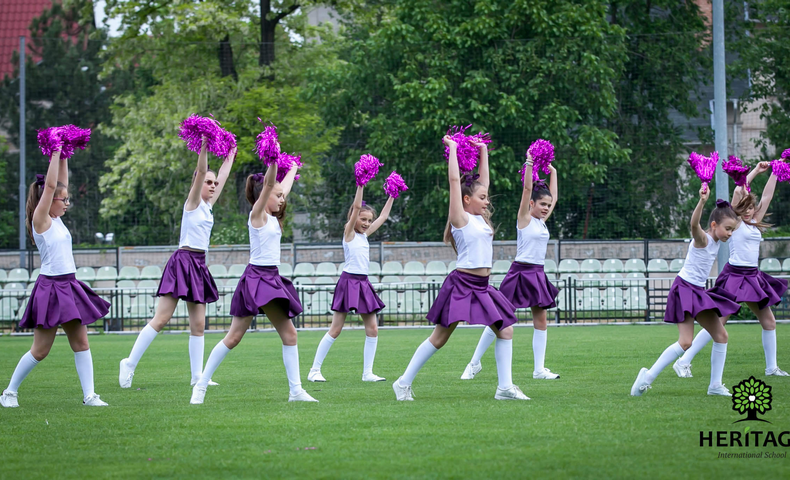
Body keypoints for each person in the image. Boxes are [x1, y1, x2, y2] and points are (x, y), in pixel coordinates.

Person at [391, 135, 528, 401]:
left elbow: (483, 181)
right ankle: (403, 382)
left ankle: (504, 388)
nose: (487, 200)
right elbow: (455, 181)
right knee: (440, 338)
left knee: (506, 329)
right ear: (466, 199)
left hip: (483, 286)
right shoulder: (460, 218)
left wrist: (483, 151)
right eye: (482, 197)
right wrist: (453, 150)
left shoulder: (480, 218)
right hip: (462, 284)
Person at [190, 161, 318, 404]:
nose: (282, 199)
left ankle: (296, 391)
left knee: (289, 335)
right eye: (277, 196)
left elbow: (282, 186)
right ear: (264, 194)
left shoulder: (272, 215)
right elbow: (271, 183)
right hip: (257, 279)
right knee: (234, 337)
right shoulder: (256, 214)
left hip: (271, 277)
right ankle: (201, 384)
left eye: (282, 196)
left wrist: (292, 166)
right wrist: (272, 160)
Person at [119, 137, 236, 388]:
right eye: (208, 182)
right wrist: (204, 145)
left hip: (199, 263)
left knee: (199, 324)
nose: (213, 185)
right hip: (183, 261)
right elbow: (202, 169)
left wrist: (231, 153)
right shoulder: (192, 203)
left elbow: (223, 175)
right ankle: (129, 363)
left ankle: (197, 377)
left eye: (214, 183)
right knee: (161, 319)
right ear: (197, 182)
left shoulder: (208, 206)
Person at [1, 146, 110, 408]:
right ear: (49, 201)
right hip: (50, 288)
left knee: (81, 342)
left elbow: (61, 183)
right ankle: (9, 393)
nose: (67, 203)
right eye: (65, 200)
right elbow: (51, 186)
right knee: (40, 350)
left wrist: (65, 154)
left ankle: (89, 396)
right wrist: (53, 151)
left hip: (69, 285)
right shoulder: (41, 219)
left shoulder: (57, 218)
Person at [673, 161, 788, 377]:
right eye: (744, 208)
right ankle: (684, 360)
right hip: (735, 276)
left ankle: (771, 367)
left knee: (769, 321)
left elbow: (767, 197)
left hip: (753, 277)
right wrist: (754, 171)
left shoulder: (754, 222)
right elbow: (738, 190)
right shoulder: (735, 222)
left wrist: (775, 171)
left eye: (751, 207)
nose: (749, 211)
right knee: (718, 323)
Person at [631, 188, 740, 397]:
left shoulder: (718, 240)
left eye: (732, 230)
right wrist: (701, 201)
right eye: (728, 229)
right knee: (685, 342)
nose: (730, 233)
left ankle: (715, 385)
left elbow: (733, 210)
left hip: (697, 291)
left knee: (721, 335)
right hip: (684, 289)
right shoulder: (703, 240)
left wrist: (742, 184)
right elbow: (693, 224)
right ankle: (647, 378)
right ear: (714, 225)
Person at [461, 155, 560, 381]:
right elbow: (527, 189)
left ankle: (539, 369)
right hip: (520, 273)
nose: (546, 208)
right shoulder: (524, 218)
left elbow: (554, 198)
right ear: (532, 204)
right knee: (499, 318)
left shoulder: (542, 222)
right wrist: (529, 164)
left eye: (548, 205)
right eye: (541, 204)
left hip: (537, 273)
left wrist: (552, 172)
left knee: (541, 319)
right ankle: (473, 363)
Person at [308, 184, 395, 383]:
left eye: (368, 220)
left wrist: (392, 195)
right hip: (348, 282)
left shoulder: (365, 235)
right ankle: (314, 370)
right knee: (336, 329)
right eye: (362, 219)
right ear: (353, 218)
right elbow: (356, 207)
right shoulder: (349, 234)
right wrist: (360, 184)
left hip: (363, 283)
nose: (366, 223)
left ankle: (367, 373)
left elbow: (382, 217)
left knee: (372, 328)